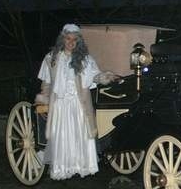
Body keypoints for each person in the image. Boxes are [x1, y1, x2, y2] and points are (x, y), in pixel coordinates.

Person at [35, 23, 118, 180]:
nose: (71, 42)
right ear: (63, 39)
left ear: (79, 41)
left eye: (74, 39)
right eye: (68, 38)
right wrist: (43, 98)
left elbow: (94, 76)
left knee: (80, 135)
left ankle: (81, 166)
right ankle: (62, 168)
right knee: (62, 136)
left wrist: (104, 77)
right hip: (59, 104)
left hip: (79, 104)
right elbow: (46, 81)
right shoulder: (51, 58)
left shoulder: (85, 60)